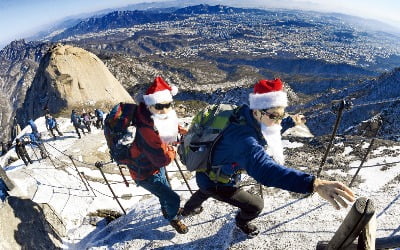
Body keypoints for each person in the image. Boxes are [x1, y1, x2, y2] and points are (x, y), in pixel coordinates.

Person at [180, 78, 355, 237]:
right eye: (274, 116)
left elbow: (270, 127)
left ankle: (187, 210)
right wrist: (314, 184)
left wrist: (290, 121)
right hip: (217, 181)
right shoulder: (244, 141)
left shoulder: (244, 116)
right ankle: (241, 222)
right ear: (257, 111)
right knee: (255, 206)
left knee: (204, 189)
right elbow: (266, 170)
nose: (278, 121)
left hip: (207, 172)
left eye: (281, 115)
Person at [127, 76, 189, 234]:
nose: (165, 110)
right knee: (173, 198)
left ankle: (168, 210)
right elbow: (164, 158)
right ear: (149, 106)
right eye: (159, 106)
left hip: (151, 166)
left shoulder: (152, 116)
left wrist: (182, 131)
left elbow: (170, 123)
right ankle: (172, 218)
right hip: (145, 173)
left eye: (168, 105)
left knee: (165, 192)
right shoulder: (147, 129)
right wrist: (173, 148)